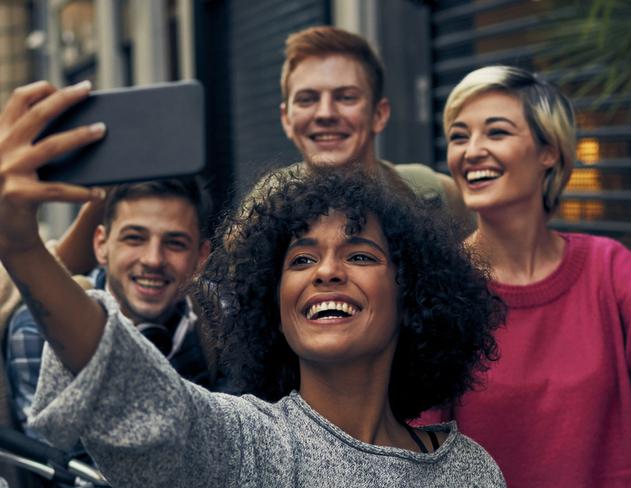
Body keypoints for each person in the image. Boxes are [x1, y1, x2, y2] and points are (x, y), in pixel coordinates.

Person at [0, 81, 506, 486]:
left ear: (411, 295)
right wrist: (23, 250)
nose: (326, 272)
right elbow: (132, 389)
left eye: (359, 254)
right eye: (302, 259)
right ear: (273, 306)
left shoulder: (471, 472)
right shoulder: (245, 445)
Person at [417, 65, 631, 487]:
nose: (471, 151)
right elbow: (413, 452)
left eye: (497, 132)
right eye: (459, 136)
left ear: (549, 151)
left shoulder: (608, 269)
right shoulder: (438, 285)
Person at [5, 178, 212, 441]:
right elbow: (68, 464)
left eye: (175, 243)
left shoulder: (218, 317)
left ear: (201, 257)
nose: (153, 259)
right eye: (134, 238)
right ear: (101, 245)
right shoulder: (39, 328)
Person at [259, 25, 472, 231]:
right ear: (286, 119)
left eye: (346, 98)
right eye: (307, 99)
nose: (325, 113)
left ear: (379, 114)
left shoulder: (434, 196)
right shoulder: (264, 210)